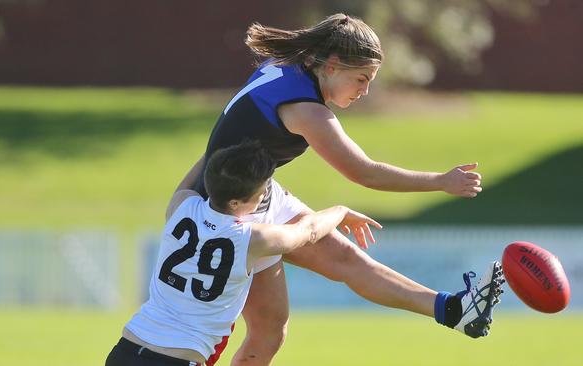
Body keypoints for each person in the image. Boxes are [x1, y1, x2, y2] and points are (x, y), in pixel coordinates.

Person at [183, 13, 505, 366]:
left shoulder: (286, 65)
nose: (365, 91)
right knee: (222, 336)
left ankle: (455, 309)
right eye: (362, 79)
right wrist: (441, 181)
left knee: (281, 320)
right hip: (228, 211)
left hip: (247, 192)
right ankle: (454, 309)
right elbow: (366, 173)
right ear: (333, 65)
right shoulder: (306, 111)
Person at [106, 140, 382, 366]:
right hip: (177, 360)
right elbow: (308, 231)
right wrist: (341, 211)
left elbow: (204, 162)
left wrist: (220, 140)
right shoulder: (251, 239)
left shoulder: (180, 205)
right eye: (261, 194)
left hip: (126, 349)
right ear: (237, 202)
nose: (264, 197)